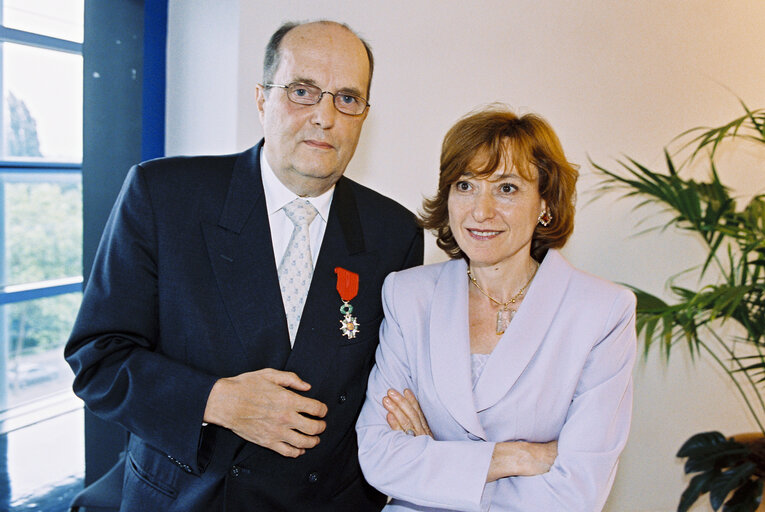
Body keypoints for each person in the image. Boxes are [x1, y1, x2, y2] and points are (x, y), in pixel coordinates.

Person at [65, 20, 423, 512]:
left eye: (347, 97)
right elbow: (98, 359)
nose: (325, 116)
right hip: (190, 497)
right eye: (302, 91)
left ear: (364, 113)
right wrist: (217, 401)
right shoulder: (164, 196)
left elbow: (383, 381)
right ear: (262, 99)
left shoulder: (394, 233)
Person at [356, 106, 636, 511]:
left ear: (545, 204)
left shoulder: (602, 312)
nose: (480, 210)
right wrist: (516, 457)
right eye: (465, 185)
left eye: (506, 188)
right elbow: (380, 457)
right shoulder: (408, 295)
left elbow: (579, 489)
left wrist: (437, 463)